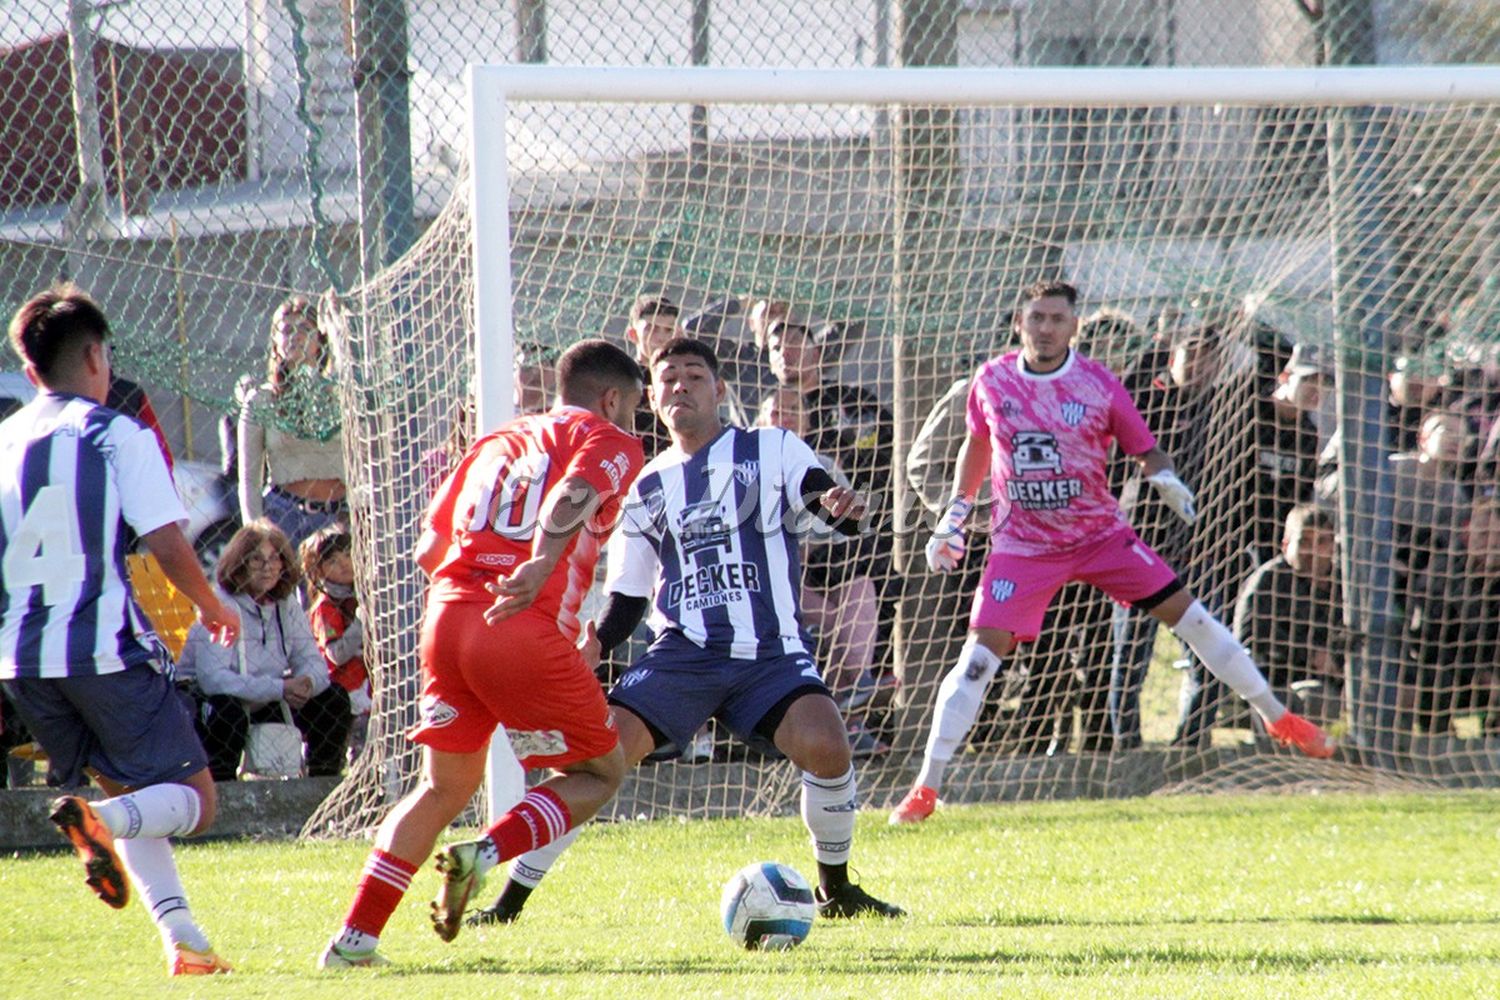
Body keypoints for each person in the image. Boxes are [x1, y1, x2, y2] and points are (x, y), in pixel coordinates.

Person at [474, 337, 905, 927]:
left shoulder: (770, 447)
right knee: (600, 759)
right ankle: (508, 904)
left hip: (770, 652)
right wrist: (599, 639)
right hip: (682, 655)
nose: (681, 385)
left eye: (695, 375)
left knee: (827, 743)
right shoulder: (646, 484)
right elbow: (628, 590)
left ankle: (836, 889)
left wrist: (838, 507)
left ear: (720, 390)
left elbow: (816, 499)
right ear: (650, 397)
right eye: (668, 377)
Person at [890, 280, 1335, 825]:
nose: (1046, 327)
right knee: (979, 660)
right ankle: (926, 788)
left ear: (1075, 326)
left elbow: (1144, 448)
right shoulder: (992, 381)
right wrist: (953, 516)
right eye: (1037, 318)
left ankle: (1278, 718)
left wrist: (1165, 477)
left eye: (1057, 318)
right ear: (1019, 323)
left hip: (1101, 537)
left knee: (1192, 618)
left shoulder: (1098, 384)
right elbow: (978, 444)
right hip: (1023, 546)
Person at [318, 338, 646, 968]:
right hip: (518, 623)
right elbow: (572, 494)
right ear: (612, 398)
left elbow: (428, 550)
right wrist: (540, 564)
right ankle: (485, 854)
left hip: (445, 620)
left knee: (441, 788)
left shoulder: (495, 441)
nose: (633, 423)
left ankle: (354, 940)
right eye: (631, 408)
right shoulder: (608, 438)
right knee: (601, 773)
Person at [0, 285, 242, 975]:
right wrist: (211, 605)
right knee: (195, 801)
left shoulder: (5, 439)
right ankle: (100, 823)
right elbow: (166, 541)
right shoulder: (113, 432)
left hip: (22, 659)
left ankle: (185, 942)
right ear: (98, 356)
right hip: (101, 646)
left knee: (134, 795)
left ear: (30, 370)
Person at [178, 521, 351, 780]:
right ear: (239, 565)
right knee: (226, 711)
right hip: (212, 701)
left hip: (269, 695)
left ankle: (323, 783)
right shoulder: (219, 605)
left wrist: (306, 682)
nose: (268, 567)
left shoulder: (287, 605)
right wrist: (280, 688)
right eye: (256, 560)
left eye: (275, 559)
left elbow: (312, 661)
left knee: (333, 698)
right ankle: (221, 789)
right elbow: (213, 680)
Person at [238, 294, 347, 549]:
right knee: (281, 587)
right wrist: (255, 531)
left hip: (340, 515)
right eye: (286, 330)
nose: (295, 336)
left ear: (320, 340)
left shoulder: (338, 393)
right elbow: (249, 478)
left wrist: (336, 324)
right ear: (275, 342)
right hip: (285, 515)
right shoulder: (261, 399)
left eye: (305, 329)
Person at [1232, 503, 1345, 732]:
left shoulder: (1344, 584)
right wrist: (1311, 654)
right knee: (1316, 699)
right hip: (1276, 680)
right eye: (1304, 542)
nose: (1313, 550)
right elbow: (1248, 637)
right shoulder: (1268, 580)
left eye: (1322, 542)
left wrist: (1338, 661)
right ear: (1285, 545)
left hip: (1337, 680)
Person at [300, 525, 371, 763]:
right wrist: (362, 622)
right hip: (344, 693)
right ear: (317, 571)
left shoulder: (362, 595)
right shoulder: (326, 607)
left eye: (348, 554)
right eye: (332, 561)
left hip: (370, 689)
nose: (344, 564)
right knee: (356, 750)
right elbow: (336, 654)